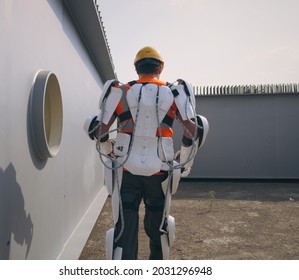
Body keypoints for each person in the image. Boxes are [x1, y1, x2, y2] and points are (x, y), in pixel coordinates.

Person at [84, 46, 208, 260]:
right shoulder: (174, 92)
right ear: (161, 67)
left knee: (124, 230)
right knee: (159, 229)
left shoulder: (120, 91)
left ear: (136, 68)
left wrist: (108, 149)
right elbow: (193, 129)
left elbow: (99, 130)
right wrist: (184, 159)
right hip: (159, 173)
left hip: (126, 171)